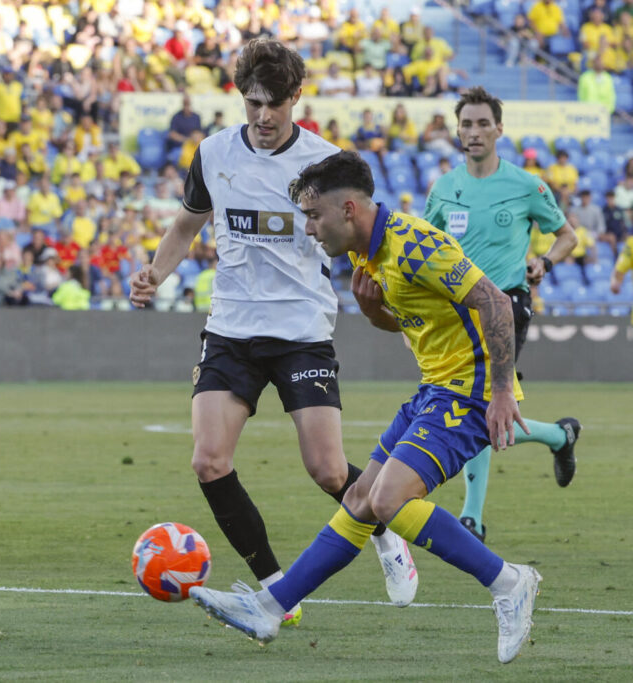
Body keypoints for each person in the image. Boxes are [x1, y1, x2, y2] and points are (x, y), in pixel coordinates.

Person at [189, 151, 542, 665]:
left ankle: (510, 582)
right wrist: (375, 310)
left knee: (389, 501)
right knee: (359, 497)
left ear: (349, 208)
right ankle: (270, 608)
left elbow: (494, 302)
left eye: (313, 216)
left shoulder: (418, 245)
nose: (308, 229)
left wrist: (504, 390)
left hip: (471, 390)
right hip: (435, 388)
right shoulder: (362, 253)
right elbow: (407, 321)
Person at [128, 39, 418, 627]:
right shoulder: (212, 153)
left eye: (275, 104)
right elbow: (187, 223)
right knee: (208, 461)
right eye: (252, 102)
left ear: (296, 99)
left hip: (302, 329)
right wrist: (156, 272)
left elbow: (361, 237)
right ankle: (275, 589)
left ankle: (387, 534)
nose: (262, 116)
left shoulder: (325, 161)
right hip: (231, 327)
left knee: (329, 472)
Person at [423, 88, 580, 542]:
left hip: (508, 303)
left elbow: (567, 235)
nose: (473, 132)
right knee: (484, 408)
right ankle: (558, 436)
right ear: (458, 130)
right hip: (456, 310)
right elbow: (427, 246)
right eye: (466, 124)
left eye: (481, 124)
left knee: (483, 401)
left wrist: (545, 262)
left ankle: (471, 517)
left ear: (498, 130)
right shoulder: (443, 188)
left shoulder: (527, 185)